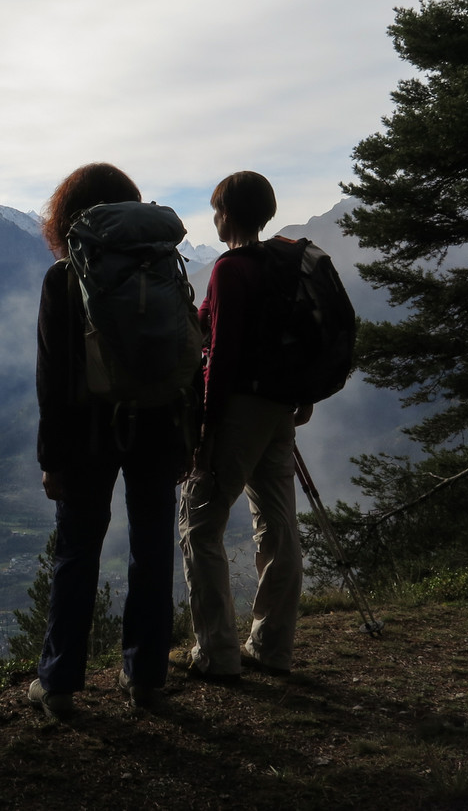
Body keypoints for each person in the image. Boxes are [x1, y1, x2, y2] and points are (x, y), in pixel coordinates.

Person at [28, 163, 193, 716]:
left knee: (77, 552)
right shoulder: (166, 266)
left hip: (86, 434)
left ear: (67, 215)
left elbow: (52, 382)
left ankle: (58, 685)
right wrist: (184, 437)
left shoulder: (63, 278)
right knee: (151, 550)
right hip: (157, 424)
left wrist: (51, 458)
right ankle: (145, 677)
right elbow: (185, 351)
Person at [179, 170, 310, 680]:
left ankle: (217, 653)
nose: (213, 217)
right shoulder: (280, 263)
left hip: (239, 410)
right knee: (278, 526)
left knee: (199, 525)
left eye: (216, 209)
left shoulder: (230, 270)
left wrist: (207, 432)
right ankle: (272, 647)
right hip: (279, 408)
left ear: (227, 213)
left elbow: (224, 356)